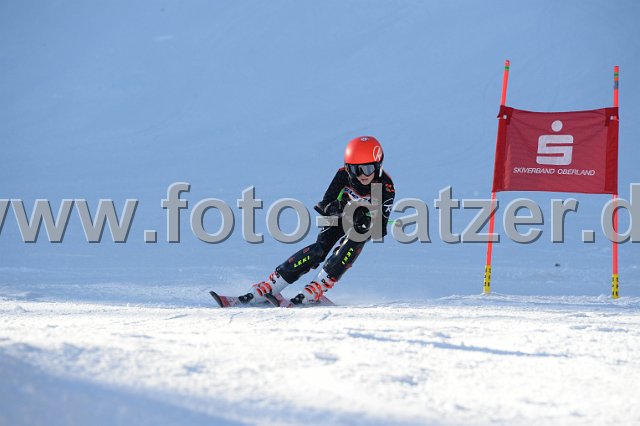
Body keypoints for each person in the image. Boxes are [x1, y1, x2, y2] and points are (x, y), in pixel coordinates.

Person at [239, 136, 395, 305]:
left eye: (368, 169)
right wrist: (336, 208)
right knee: (318, 251)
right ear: (347, 167)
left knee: (358, 235)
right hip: (339, 218)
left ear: (378, 166)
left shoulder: (384, 186)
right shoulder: (343, 175)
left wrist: (365, 218)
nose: (362, 175)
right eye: (355, 169)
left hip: (360, 226)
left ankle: (319, 285)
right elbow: (325, 203)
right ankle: (273, 285)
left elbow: (379, 228)